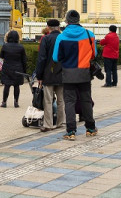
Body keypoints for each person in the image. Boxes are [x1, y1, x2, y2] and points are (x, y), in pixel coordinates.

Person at [54, 10, 99, 140]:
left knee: (69, 102)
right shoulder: (89, 34)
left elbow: (56, 57)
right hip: (84, 73)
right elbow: (94, 54)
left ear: (67, 21)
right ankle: (90, 128)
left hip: (68, 73)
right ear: (79, 20)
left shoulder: (61, 37)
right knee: (86, 100)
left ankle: (71, 131)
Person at [34, 18, 65, 132]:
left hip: (48, 74)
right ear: (58, 27)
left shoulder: (46, 39)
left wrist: (39, 75)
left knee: (48, 100)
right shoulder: (64, 38)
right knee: (61, 100)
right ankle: (61, 122)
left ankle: (48, 124)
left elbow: (41, 58)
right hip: (62, 73)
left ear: (48, 27)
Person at [0, 30, 27, 107]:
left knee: (7, 85)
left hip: (7, 68)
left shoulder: (5, 46)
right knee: (16, 86)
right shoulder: (21, 47)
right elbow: (24, 60)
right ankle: (16, 102)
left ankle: (4, 102)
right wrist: (24, 71)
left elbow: (1, 57)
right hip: (18, 69)